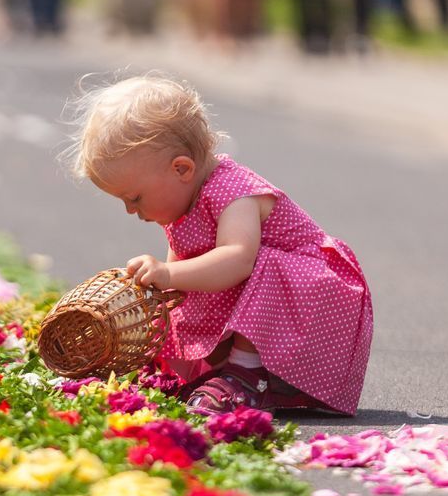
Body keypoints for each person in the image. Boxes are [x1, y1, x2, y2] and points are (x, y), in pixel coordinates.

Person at [66, 74, 373, 415]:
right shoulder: (183, 206)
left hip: (318, 297)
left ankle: (246, 374)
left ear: (181, 169)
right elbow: (186, 284)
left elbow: (238, 260)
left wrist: (168, 272)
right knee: (189, 290)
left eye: (135, 197)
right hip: (277, 305)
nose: (130, 210)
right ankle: (223, 372)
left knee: (255, 262)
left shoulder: (234, 191)